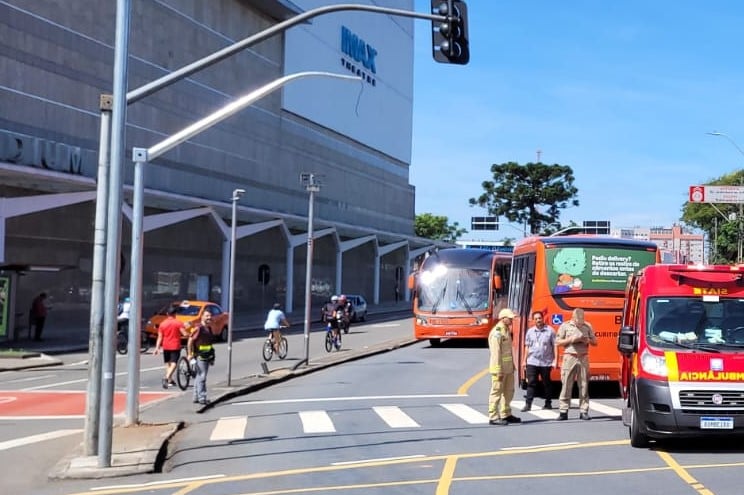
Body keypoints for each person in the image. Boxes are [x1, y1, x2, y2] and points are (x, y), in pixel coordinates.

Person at [556, 308, 598, 420]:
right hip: (570, 356)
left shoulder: (587, 326)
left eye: (581, 321)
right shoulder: (565, 326)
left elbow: (595, 342)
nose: (580, 323)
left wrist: (587, 340)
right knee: (566, 384)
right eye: (577, 321)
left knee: (584, 385)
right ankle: (563, 411)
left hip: (583, 357)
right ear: (573, 318)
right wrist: (571, 339)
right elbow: (558, 342)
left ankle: (584, 410)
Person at [487, 308, 521, 425]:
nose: (511, 320)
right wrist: (498, 370)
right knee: (496, 392)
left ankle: (506, 413)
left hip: (508, 368)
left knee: (508, 392)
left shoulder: (506, 330)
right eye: (509, 318)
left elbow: (508, 352)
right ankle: (493, 416)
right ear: (503, 318)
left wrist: (512, 366)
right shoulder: (497, 332)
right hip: (500, 369)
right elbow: (496, 353)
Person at [521, 310, 557, 411]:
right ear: (533, 320)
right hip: (532, 361)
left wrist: (555, 360)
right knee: (531, 382)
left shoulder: (550, 331)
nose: (538, 320)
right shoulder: (530, 331)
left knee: (546, 383)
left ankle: (548, 403)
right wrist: (524, 361)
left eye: (539, 318)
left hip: (546, 362)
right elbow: (527, 347)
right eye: (536, 319)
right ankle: (528, 404)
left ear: (543, 318)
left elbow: (555, 346)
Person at [153, 305, 189, 389]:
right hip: (175, 345)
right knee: (174, 363)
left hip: (165, 346)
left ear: (167, 314)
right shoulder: (178, 323)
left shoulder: (162, 324)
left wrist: (157, 348)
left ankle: (170, 380)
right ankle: (166, 378)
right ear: (175, 314)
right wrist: (189, 333)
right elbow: (184, 333)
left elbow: (160, 337)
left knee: (168, 363)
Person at [187, 310, 215, 405]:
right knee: (202, 377)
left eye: (210, 316)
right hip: (200, 356)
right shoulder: (199, 328)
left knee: (199, 376)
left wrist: (212, 357)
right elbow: (190, 341)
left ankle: (196, 397)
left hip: (206, 355)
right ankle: (202, 397)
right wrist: (190, 354)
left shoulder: (209, 329)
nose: (209, 317)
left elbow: (209, 344)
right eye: (207, 316)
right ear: (202, 317)